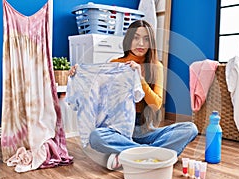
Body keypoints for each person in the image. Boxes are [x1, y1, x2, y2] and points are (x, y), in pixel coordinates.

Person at [69, 20, 198, 170]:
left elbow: (156, 104)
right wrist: (80, 74)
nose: (141, 43)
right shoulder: (116, 63)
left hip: (145, 130)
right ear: (128, 40)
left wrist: (140, 79)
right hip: (117, 131)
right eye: (136, 38)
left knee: (190, 128)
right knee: (96, 137)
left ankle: (130, 153)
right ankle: (149, 154)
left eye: (146, 39)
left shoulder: (156, 66)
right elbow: (95, 90)